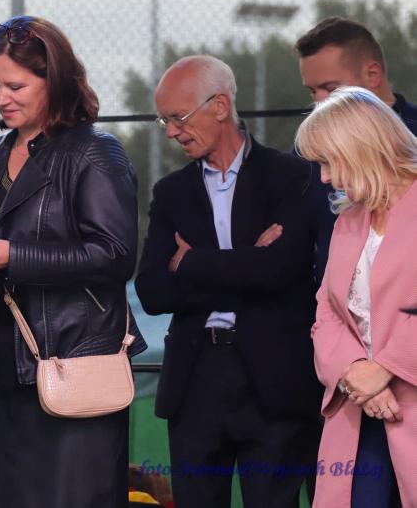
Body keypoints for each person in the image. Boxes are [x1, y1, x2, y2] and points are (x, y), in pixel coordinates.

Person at [0, 15, 140, 507]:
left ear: (55, 81)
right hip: (6, 373)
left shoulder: (94, 152)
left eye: (15, 86)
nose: (1, 98)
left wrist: (16, 257)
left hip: (76, 369)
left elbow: (116, 254)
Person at [135, 55, 323, 508]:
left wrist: (192, 263)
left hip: (275, 384)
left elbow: (283, 271)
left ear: (220, 106)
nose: (171, 132)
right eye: (164, 120)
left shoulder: (292, 176)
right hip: (194, 384)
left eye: (178, 117)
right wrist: (249, 262)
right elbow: (153, 291)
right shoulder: (171, 192)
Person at [295, 86, 417, 507]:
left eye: (329, 161)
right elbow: (327, 313)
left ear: (361, 147)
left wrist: (385, 368)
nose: (324, 177)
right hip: (360, 410)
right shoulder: (348, 221)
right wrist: (354, 371)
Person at [295, 17, 417, 282]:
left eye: (330, 88)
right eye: (312, 91)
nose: (319, 102)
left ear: (372, 74)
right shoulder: (305, 156)